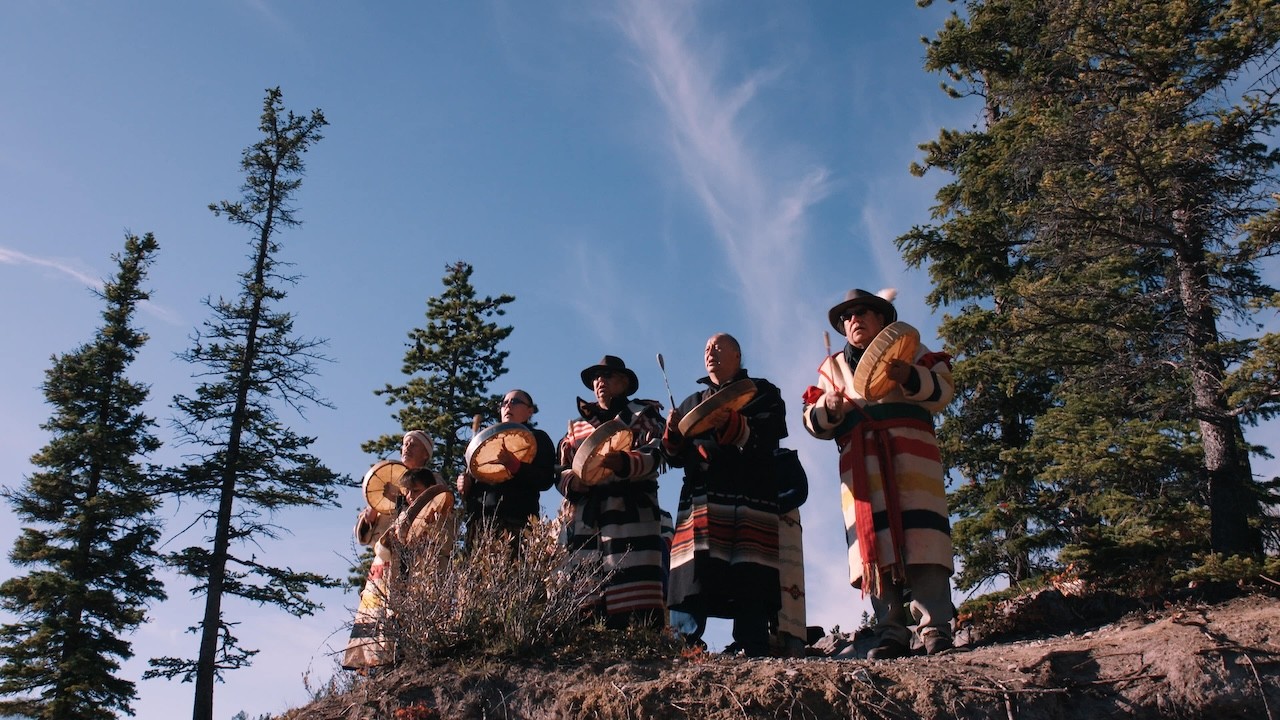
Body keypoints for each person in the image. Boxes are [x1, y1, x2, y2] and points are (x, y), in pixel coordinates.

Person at [802, 288, 956, 659]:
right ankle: (891, 631)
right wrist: (829, 407)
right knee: (874, 547)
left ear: (882, 320)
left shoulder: (911, 351)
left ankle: (935, 627)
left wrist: (909, 375)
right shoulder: (831, 368)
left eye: (862, 313)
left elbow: (943, 390)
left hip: (911, 459)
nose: (853, 320)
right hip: (861, 470)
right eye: (847, 317)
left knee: (923, 539)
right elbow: (811, 423)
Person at [662, 333, 787, 657]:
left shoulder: (762, 392)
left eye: (718, 347)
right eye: (706, 348)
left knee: (750, 567)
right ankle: (684, 643)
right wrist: (673, 435)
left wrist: (733, 422)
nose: (710, 352)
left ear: (737, 354)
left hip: (750, 495)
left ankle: (752, 641)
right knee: (693, 569)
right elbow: (674, 458)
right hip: (702, 497)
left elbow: (770, 435)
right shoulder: (691, 404)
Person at [555, 355, 667, 629]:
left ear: (624, 382)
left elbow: (660, 451)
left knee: (635, 602)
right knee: (587, 597)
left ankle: (642, 650)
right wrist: (573, 482)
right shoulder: (576, 427)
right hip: (587, 519)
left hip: (632, 513)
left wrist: (626, 462)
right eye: (595, 377)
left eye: (607, 376)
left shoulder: (644, 415)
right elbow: (559, 469)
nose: (599, 382)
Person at [343, 430, 455, 670]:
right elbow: (365, 535)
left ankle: (410, 660)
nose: (407, 448)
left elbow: (433, 515)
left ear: (426, 454)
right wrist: (373, 511)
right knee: (380, 612)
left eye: (414, 445)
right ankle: (376, 664)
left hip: (417, 562)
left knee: (410, 609)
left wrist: (400, 499)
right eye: (405, 443)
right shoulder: (389, 480)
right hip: (386, 565)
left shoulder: (433, 481)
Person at [456, 389, 556, 553]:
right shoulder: (485, 443)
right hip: (479, 527)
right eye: (504, 403)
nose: (508, 405)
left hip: (517, 524)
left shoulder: (537, 438)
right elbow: (475, 486)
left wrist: (515, 465)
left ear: (530, 411)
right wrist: (466, 486)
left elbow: (545, 479)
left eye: (515, 402)